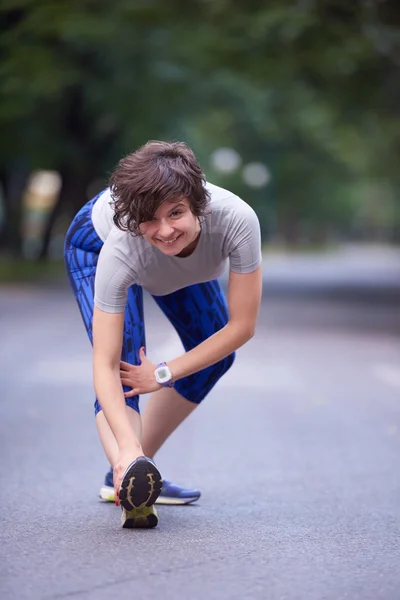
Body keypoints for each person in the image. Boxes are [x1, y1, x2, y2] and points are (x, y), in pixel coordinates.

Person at [64, 141, 262, 529]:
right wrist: (125, 448)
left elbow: (242, 327)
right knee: (126, 369)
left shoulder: (237, 220)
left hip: (171, 261)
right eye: (151, 219)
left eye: (176, 213)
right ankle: (128, 468)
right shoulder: (121, 248)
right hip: (94, 245)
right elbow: (105, 364)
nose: (166, 230)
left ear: (198, 203)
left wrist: (163, 372)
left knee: (214, 357)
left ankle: (139, 472)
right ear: (135, 221)